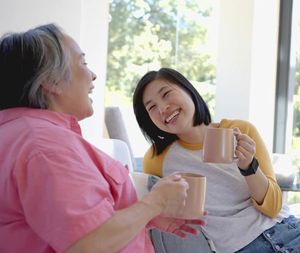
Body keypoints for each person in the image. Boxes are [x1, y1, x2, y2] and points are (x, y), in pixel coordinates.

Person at [0, 24, 205, 253]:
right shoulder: (46, 146)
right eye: (83, 63)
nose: (92, 75)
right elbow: (86, 245)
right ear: (52, 81)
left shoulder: (20, 136)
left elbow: (65, 224)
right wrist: (154, 203)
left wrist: (144, 217)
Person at [133, 67, 300, 253]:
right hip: (239, 248)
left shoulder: (240, 130)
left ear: (188, 91)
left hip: (288, 229)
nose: (163, 108)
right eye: (151, 107)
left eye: (166, 94)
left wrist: (249, 167)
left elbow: (273, 206)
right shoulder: (157, 159)